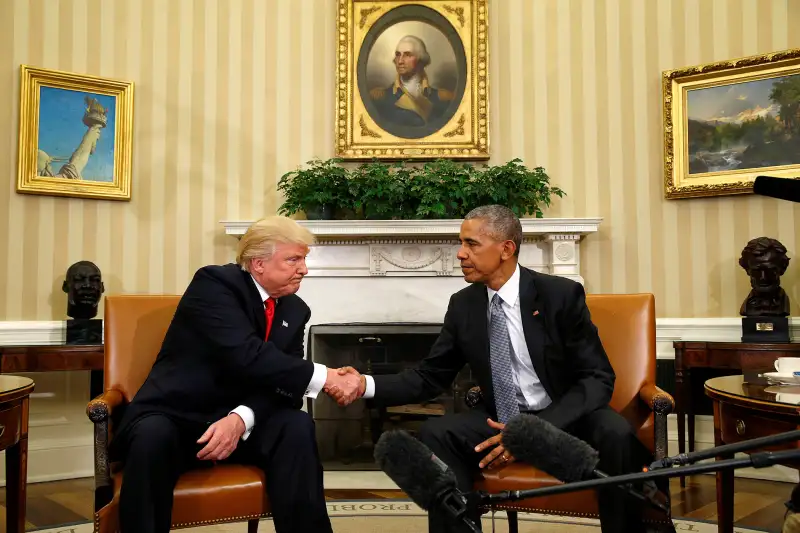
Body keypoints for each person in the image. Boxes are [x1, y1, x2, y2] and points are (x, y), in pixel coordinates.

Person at [332, 205, 669, 533]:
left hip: (566, 419)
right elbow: (430, 376)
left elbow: (597, 379)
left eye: (471, 244)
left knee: (614, 432)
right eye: (461, 243)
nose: (460, 254)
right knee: (438, 433)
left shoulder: (559, 295)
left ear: (506, 248)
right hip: (500, 419)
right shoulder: (464, 305)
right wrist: (364, 384)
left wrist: (532, 432)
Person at [110, 216, 362, 533]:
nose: (304, 269)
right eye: (294, 259)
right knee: (151, 435)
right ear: (258, 263)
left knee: (296, 424)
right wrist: (326, 376)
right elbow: (247, 354)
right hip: (179, 416)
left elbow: (285, 385)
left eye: (304, 259)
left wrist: (242, 418)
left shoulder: (296, 309)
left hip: (242, 423)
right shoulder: (214, 285)